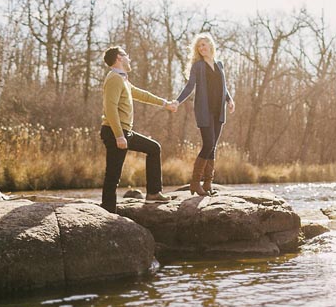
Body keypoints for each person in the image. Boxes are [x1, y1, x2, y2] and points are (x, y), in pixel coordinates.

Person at [100, 46, 178, 213]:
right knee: (113, 175)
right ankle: (107, 212)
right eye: (126, 55)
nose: (129, 59)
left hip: (125, 132)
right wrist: (119, 136)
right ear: (119, 58)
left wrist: (165, 104)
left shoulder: (123, 79)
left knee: (153, 148)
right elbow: (110, 108)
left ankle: (153, 193)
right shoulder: (114, 78)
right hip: (115, 131)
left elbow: (142, 94)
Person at [173, 33, 235, 196]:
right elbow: (189, 86)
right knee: (208, 144)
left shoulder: (219, 64)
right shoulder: (198, 66)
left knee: (213, 147)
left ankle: (208, 184)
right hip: (204, 110)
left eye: (203, 44)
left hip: (218, 110)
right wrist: (177, 101)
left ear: (210, 45)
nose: (201, 48)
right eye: (198, 46)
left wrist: (229, 99)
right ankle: (195, 183)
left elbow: (223, 86)